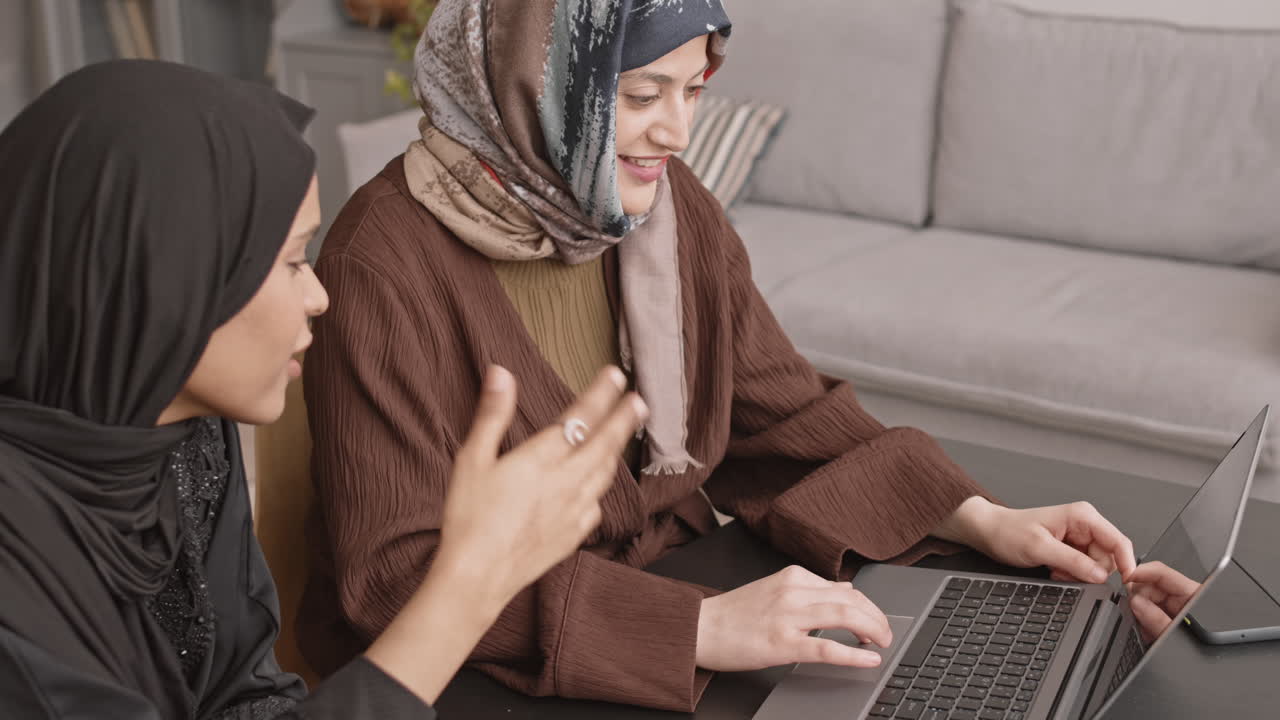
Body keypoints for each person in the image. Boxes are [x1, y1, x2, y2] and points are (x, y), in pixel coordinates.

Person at [300, 0, 1140, 712]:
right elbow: (397, 581)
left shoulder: (662, 212)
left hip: (665, 608)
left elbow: (782, 417)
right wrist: (700, 627)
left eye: (694, 90)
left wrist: (984, 519)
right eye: (640, 94)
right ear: (537, 85)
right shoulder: (380, 261)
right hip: (477, 672)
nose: (677, 130)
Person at [0, 59, 647, 719]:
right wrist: (471, 583)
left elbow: (245, 696)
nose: (318, 295)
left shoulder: (177, 434)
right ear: (162, 285)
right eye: (287, 263)